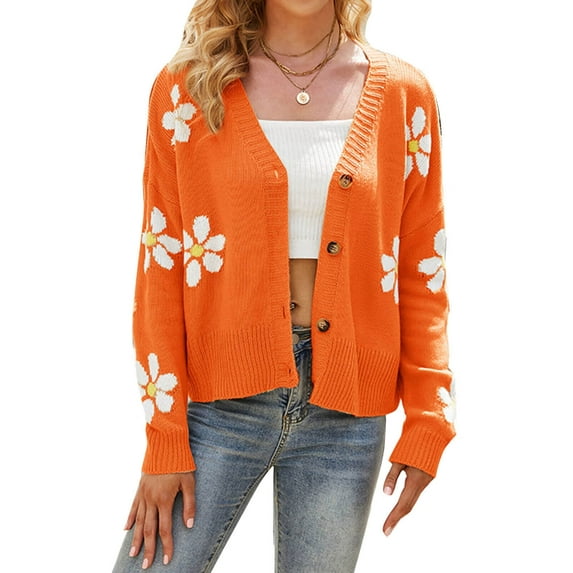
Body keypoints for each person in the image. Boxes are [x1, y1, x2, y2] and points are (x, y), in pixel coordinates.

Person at [113, 0, 455, 571]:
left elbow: (424, 268)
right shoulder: (187, 89)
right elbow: (161, 266)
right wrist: (164, 435)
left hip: (347, 415)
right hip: (219, 407)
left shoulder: (404, 95)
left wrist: (429, 418)